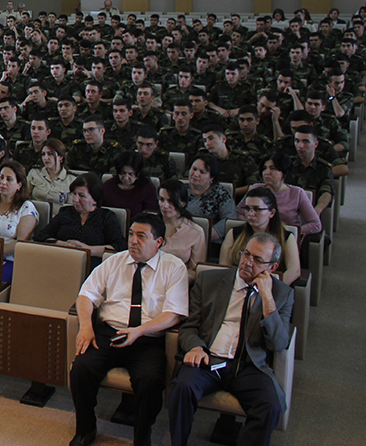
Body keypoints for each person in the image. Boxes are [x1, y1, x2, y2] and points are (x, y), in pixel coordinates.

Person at [69, 212, 190, 446]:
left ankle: (142, 437)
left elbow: (174, 313)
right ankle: (86, 428)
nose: (133, 240)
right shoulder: (114, 261)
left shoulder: (174, 267)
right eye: (131, 234)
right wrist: (86, 327)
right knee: (81, 368)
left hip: (148, 339)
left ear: (158, 242)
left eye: (141, 236)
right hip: (110, 333)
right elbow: (86, 295)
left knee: (150, 380)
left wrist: (139, 331)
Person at [168, 233, 294, 446]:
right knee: (182, 387)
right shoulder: (210, 280)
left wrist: (267, 298)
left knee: (270, 406)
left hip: (249, 366)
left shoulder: (282, 294)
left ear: (272, 268)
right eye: (246, 254)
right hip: (209, 360)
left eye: (257, 259)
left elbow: (278, 344)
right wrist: (196, 347)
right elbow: (189, 327)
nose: (247, 262)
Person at [219, 187, 301, 286]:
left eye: (257, 209)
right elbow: (224, 268)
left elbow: (294, 271)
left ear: (272, 213)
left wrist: (272, 289)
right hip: (237, 286)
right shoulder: (233, 233)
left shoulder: (287, 237)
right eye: (247, 209)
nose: (250, 214)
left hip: (269, 286)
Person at [34, 173, 125, 258]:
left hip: (93, 263)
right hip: (61, 259)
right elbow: (41, 237)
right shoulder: (65, 212)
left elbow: (119, 246)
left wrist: (88, 250)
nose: (75, 199)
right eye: (74, 194)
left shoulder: (106, 217)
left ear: (95, 199)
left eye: (82, 195)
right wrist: (63, 244)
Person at [0, 159, 38, 281]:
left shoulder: (26, 208)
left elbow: (21, 243)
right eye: (1, 177)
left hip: (12, 259)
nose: (3, 182)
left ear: (19, 185)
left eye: (9, 179)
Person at [249, 152, 321, 238]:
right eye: (264, 168)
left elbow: (315, 225)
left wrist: (291, 232)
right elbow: (239, 214)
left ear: (284, 172)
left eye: (272, 168)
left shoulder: (297, 193)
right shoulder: (255, 189)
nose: (266, 172)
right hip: (256, 235)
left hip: (285, 238)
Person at [158, 178, 207, 281]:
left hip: (178, 281)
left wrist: (171, 282)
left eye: (171, 201)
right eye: (162, 200)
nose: (165, 206)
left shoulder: (196, 232)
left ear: (183, 203)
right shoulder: (149, 225)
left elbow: (194, 271)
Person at [185, 152, 238, 243]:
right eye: (194, 169)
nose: (196, 174)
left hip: (209, 241)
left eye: (202, 172)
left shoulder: (221, 193)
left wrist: (208, 234)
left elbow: (229, 220)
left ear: (211, 177)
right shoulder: (180, 189)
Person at [102, 152, 159, 220]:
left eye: (131, 174)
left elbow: (150, 215)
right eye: (122, 173)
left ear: (138, 173)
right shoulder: (108, 185)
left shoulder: (147, 188)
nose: (126, 178)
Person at [27, 138, 72, 205]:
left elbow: (71, 207)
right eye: (43, 154)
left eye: (50, 154)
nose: (45, 158)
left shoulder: (71, 179)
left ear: (60, 157)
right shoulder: (34, 173)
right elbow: (24, 196)